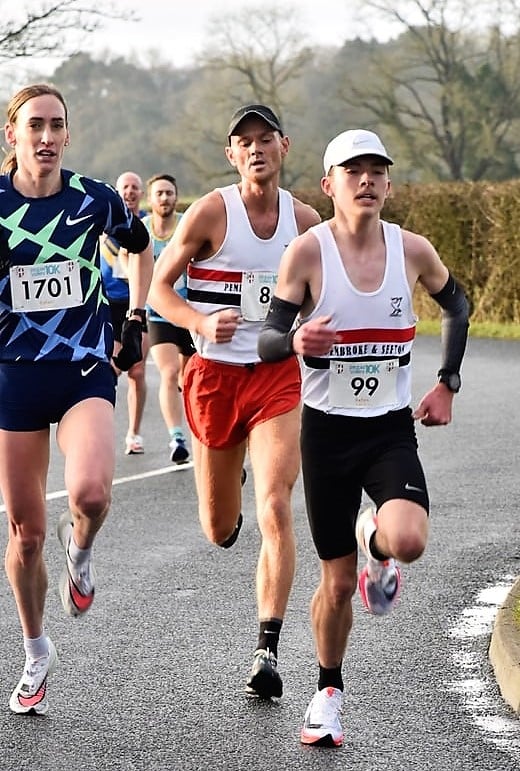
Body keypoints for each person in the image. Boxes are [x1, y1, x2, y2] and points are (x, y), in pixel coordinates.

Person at [258, 128, 469, 745]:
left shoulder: (413, 251)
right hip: (326, 435)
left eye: (377, 170)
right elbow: (267, 340)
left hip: (388, 431)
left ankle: (374, 541)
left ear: (389, 183)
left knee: (408, 540)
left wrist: (447, 383)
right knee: (338, 584)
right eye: (354, 171)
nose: (367, 180)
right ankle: (328, 694)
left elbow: (457, 307)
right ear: (329, 184)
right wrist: (295, 340)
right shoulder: (306, 253)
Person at [148, 104, 320, 698]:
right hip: (216, 378)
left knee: (276, 505)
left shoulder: (305, 222)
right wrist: (199, 321)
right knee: (218, 528)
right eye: (244, 142)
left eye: (265, 139)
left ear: (283, 146)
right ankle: (231, 495)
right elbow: (159, 290)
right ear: (231, 155)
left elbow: (326, 297)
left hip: (276, 378)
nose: (255, 149)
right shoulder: (210, 213)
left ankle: (266, 649)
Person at [0, 83, 153, 715]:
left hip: (83, 368)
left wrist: (136, 315)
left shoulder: (94, 198)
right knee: (25, 535)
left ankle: (82, 552)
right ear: (12, 133)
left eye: (56, 125)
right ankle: (36, 650)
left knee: (90, 494)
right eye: (34, 125)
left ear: (68, 134)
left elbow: (141, 248)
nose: (46, 137)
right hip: (14, 377)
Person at [142, 173, 195, 463]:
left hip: (189, 312)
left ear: (176, 196)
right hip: (158, 313)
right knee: (169, 372)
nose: (164, 198)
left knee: (190, 379)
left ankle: (201, 432)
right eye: (159, 193)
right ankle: (177, 437)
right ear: (150, 199)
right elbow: (127, 260)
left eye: (169, 193)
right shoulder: (142, 230)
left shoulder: (188, 224)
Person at [100, 170, 150, 455]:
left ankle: (134, 432)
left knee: (138, 370)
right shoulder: (103, 224)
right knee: (112, 368)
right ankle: (99, 429)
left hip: (137, 303)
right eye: (124, 188)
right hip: (108, 304)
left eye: (134, 187)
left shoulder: (145, 226)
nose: (129, 192)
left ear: (140, 193)